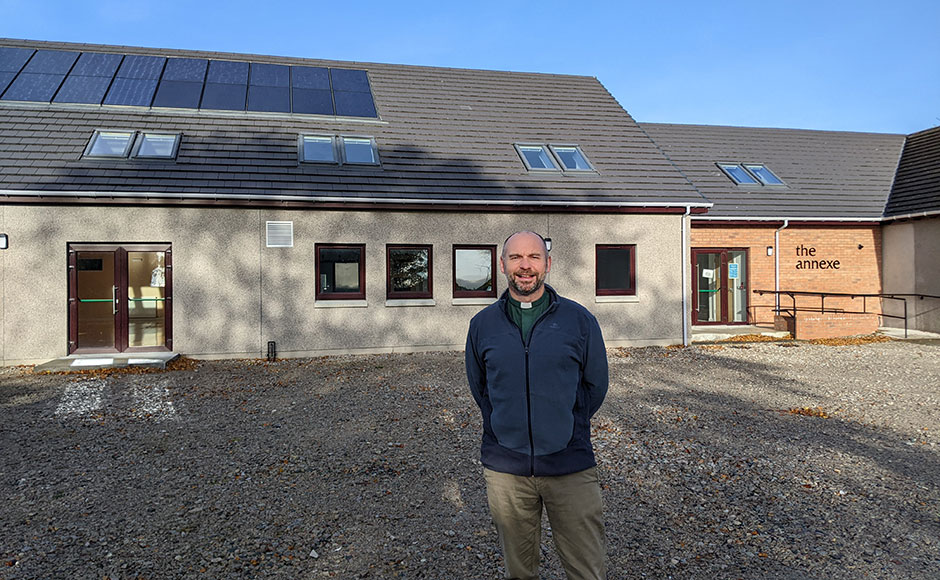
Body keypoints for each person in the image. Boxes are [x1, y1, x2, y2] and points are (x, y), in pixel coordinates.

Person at [465, 230, 609, 580]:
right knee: (520, 570)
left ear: (548, 264)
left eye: (533, 257)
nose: (525, 266)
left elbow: (595, 386)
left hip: (569, 465)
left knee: (587, 569)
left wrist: (562, 421)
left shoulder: (579, 321)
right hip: (507, 469)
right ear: (502, 265)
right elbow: (480, 388)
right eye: (516, 258)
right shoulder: (482, 325)